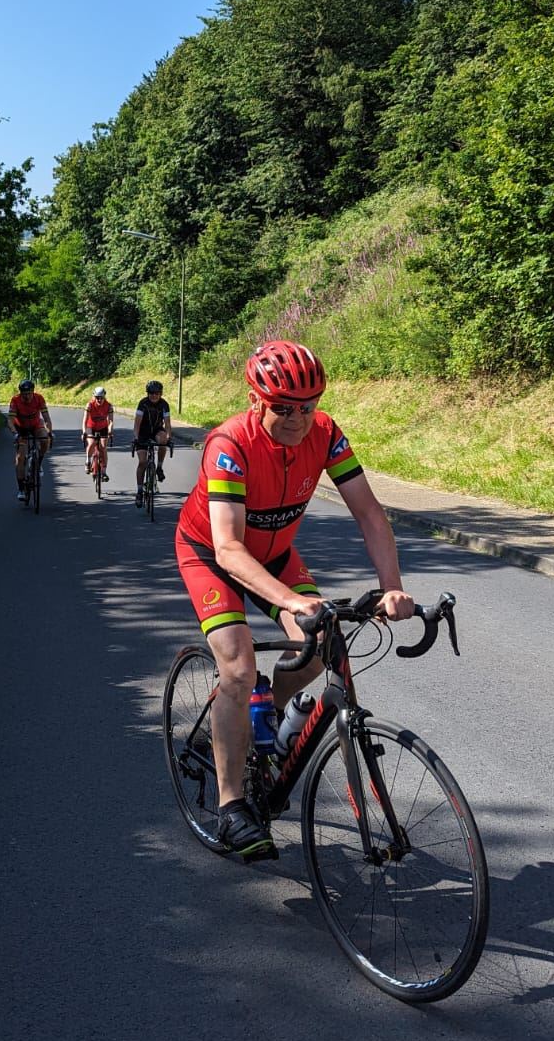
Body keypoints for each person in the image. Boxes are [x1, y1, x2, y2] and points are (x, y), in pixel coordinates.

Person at [175, 340, 414, 857]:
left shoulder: (325, 434)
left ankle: (269, 726)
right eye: (283, 408)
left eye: (308, 406)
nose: (298, 419)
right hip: (210, 554)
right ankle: (232, 805)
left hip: (276, 554)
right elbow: (229, 548)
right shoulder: (229, 444)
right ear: (255, 400)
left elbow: (370, 514)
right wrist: (291, 602)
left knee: (321, 648)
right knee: (238, 668)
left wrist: (392, 585)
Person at [7, 379, 53, 501]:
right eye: (24, 394)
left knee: (45, 439)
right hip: (21, 428)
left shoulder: (39, 398)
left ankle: (39, 463)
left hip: (35, 425)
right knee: (20, 458)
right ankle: (21, 489)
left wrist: (49, 431)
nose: (27, 396)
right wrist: (15, 434)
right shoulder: (15, 400)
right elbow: (10, 421)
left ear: (33, 391)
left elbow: (46, 418)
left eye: (29, 393)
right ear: (21, 393)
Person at [132, 380, 172, 508]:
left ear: (160, 394)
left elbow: (167, 424)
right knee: (142, 462)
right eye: (151, 393)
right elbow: (137, 423)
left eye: (157, 393)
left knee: (163, 440)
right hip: (143, 432)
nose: (154, 395)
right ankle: (139, 492)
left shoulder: (164, 404)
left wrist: (169, 437)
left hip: (156, 430)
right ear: (148, 393)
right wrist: (136, 438)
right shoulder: (143, 403)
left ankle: (159, 467)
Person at [82, 387, 114, 480]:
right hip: (91, 427)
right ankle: (88, 461)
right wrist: (84, 431)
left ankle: (104, 472)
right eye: (97, 398)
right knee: (92, 443)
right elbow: (85, 420)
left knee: (103, 447)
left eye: (101, 398)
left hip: (103, 428)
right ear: (94, 397)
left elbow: (111, 421)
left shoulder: (109, 406)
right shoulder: (90, 405)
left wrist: (110, 430)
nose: (99, 400)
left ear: (104, 397)